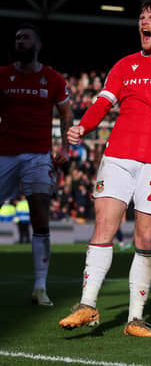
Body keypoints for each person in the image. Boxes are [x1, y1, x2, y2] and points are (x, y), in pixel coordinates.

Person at [58, 0, 151, 337]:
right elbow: (102, 103)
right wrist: (83, 127)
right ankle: (87, 304)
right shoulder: (124, 65)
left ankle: (135, 318)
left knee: (146, 236)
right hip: (119, 155)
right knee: (104, 227)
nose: (142, 23)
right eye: (140, 17)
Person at [0, 23, 73, 306]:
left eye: (26, 37)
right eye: (17, 37)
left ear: (37, 45)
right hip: (4, 153)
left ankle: (40, 287)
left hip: (37, 155)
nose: (20, 41)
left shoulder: (52, 78)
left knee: (40, 213)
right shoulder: (3, 75)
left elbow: (66, 113)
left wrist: (65, 147)